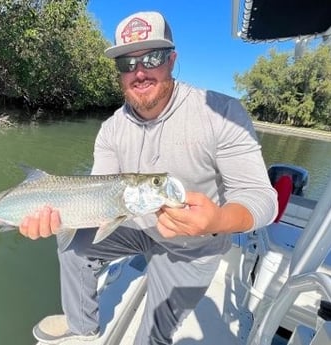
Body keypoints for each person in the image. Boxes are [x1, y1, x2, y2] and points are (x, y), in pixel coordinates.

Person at [19, 11, 278, 345]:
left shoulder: (222, 112)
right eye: (127, 63)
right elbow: (101, 196)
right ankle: (82, 325)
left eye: (152, 58)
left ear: (171, 59)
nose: (139, 72)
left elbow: (262, 198)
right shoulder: (111, 128)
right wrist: (61, 218)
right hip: (133, 227)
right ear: (119, 73)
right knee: (73, 246)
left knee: (152, 337)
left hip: (194, 244)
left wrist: (217, 220)